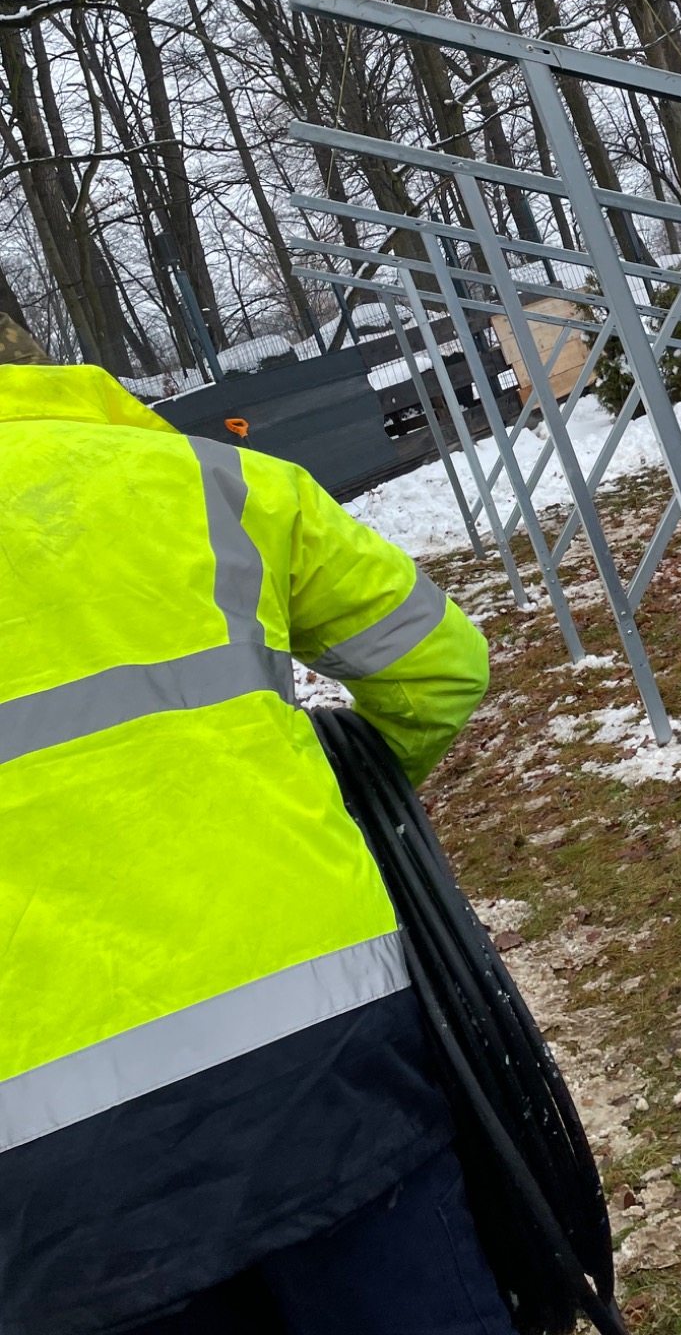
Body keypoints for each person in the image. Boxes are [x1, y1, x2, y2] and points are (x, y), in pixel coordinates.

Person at [0, 358, 517, 1334]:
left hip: (39, 1170)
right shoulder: (213, 480)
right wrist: (327, 802)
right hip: (329, 1052)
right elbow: (440, 664)